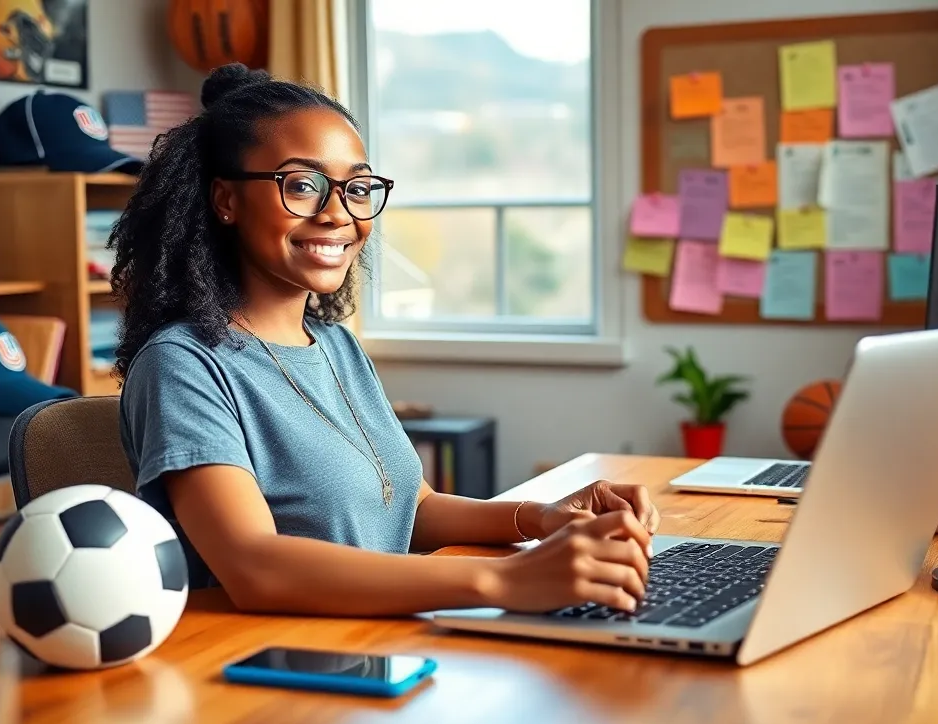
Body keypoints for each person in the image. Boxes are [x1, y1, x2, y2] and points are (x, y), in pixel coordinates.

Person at [111, 64, 658, 619]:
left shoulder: (334, 346)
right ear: (225, 199)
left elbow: (410, 509)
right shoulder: (183, 364)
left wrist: (542, 518)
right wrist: (504, 579)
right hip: (273, 665)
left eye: (356, 188)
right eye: (302, 185)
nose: (338, 213)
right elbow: (255, 567)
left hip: (379, 640)